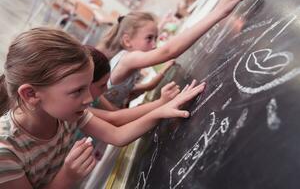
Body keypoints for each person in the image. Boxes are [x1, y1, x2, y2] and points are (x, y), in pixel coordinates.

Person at [0, 27, 205, 188]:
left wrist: (162, 110)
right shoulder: (5, 153)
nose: (89, 98)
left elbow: (117, 135)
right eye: (77, 91)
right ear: (31, 94)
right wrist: (67, 176)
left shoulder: (66, 114)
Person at [98, 0, 249, 108]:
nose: (154, 45)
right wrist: (218, 12)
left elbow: (135, 90)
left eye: (155, 38)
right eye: (149, 38)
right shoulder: (127, 59)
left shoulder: (128, 60)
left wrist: (164, 71)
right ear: (127, 41)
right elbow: (168, 51)